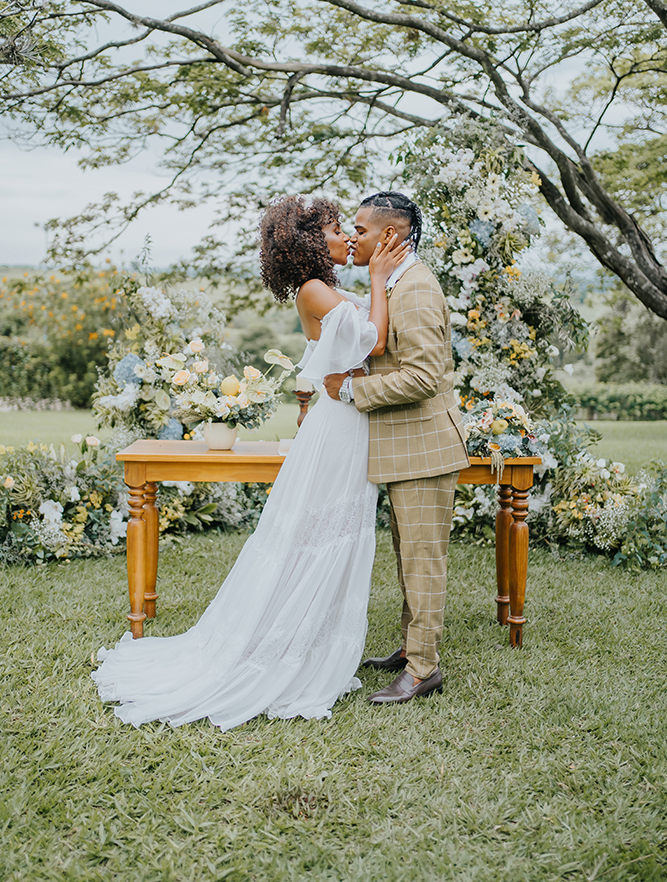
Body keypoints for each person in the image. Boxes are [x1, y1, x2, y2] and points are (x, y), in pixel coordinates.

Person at [92, 195, 408, 730]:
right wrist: (378, 277)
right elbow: (372, 342)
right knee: (314, 536)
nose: (347, 238)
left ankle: (309, 641)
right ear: (313, 242)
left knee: (332, 531)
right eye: (337, 230)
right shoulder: (314, 290)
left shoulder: (326, 288)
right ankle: (285, 650)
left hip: (348, 423)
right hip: (337, 430)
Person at [323, 192, 469, 706]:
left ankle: (424, 668)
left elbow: (425, 376)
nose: (351, 236)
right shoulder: (394, 282)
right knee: (409, 556)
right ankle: (412, 649)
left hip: (424, 447)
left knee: (423, 559)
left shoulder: (418, 289)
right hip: (402, 447)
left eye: (360, 229)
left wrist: (348, 390)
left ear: (390, 235)